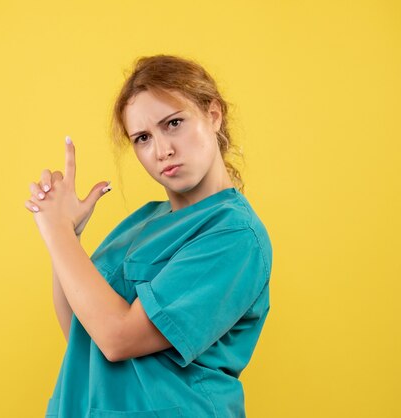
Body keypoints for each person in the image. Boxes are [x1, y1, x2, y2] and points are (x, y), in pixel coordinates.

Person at [24, 54, 273, 418]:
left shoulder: (234, 235)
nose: (162, 150)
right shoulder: (140, 223)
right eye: (142, 138)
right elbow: (83, 332)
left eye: (173, 123)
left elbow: (117, 337)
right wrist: (70, 239)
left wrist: (56, 230)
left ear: (214, 115)